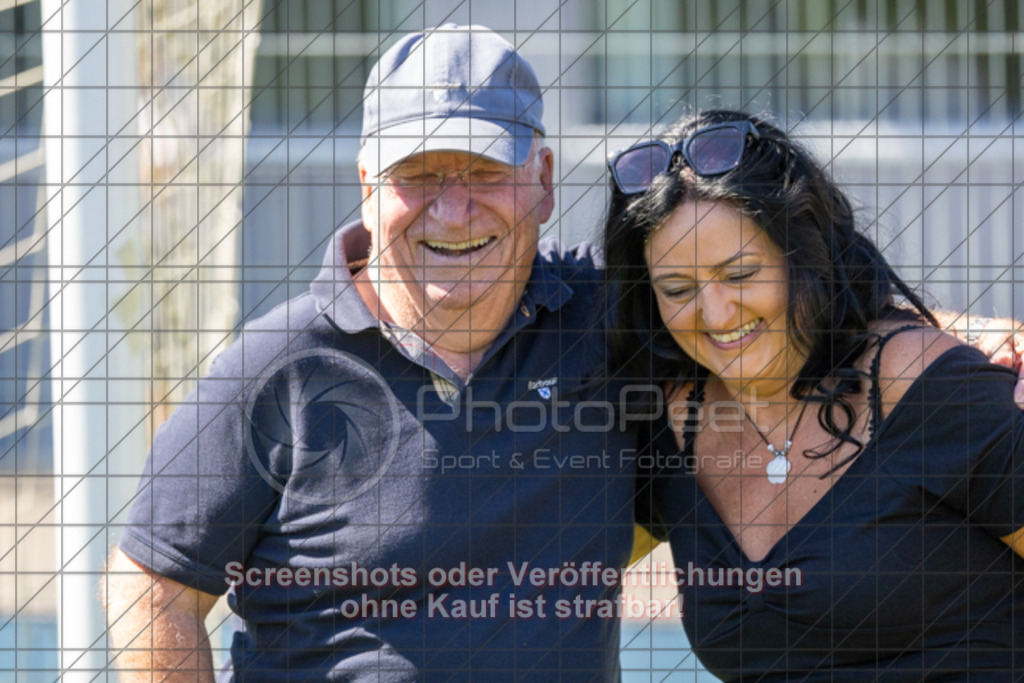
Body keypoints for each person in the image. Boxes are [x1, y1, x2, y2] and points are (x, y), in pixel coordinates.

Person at [105, 24, 639, 680]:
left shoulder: (611, 323)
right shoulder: (278, 368)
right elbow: (152, 587)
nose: (452, 209)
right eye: (416, 174)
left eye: (484, 169)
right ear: (367, 183)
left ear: (545, 181)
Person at [604, 109, 1024, 679]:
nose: (715, 313)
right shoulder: (674, 420)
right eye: (677, 288)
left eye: (740, 274)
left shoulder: (924, 387)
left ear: (803, 253)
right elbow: (546, 565)